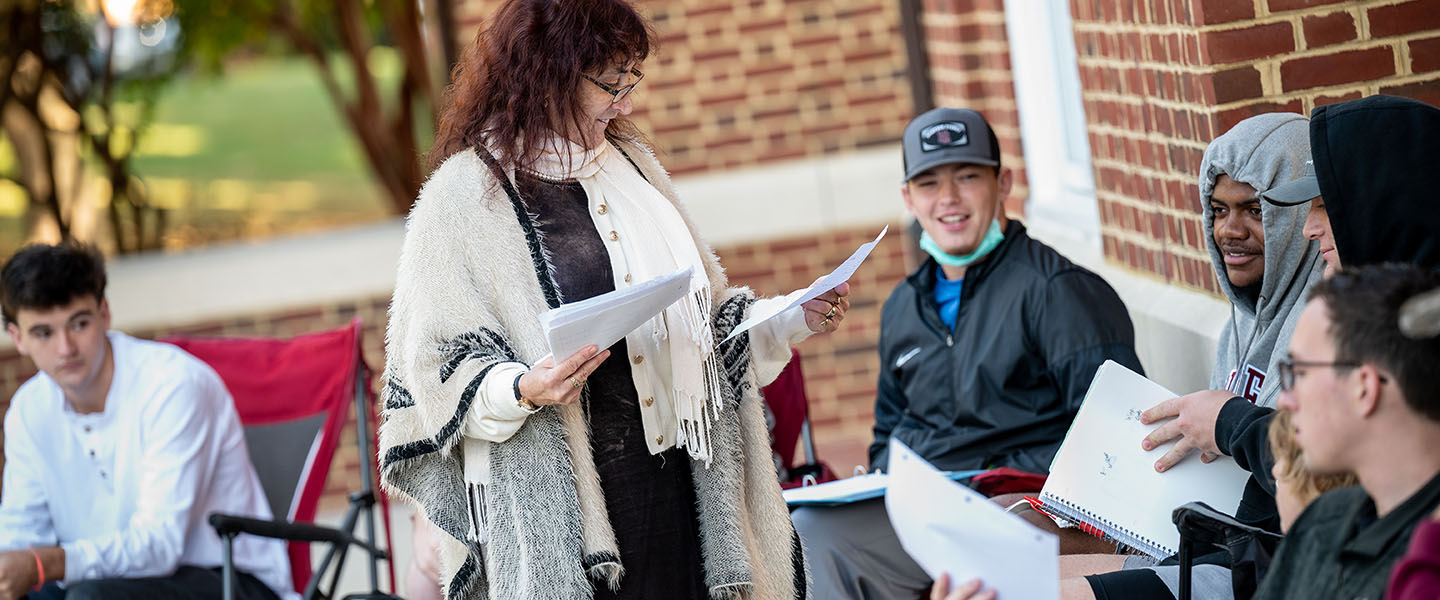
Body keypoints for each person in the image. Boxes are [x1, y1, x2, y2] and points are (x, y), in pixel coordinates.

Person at [375, 1, 844, 598]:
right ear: (547, 75)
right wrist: (522, 388)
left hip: (681, 483)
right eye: (610, 85)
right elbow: (434, 366)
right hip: (572, 506)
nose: (627, 104)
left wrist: (788, 319)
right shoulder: (464, 197)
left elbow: (707, 319)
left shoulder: (633, 168)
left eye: (632, 81)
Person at [794, 106, 1142, 599]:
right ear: (908, 198)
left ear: (1004, 184)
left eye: (967, 177)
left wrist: (982, 475)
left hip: (1021, 504)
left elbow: (1115, 440)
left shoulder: (1059, 291)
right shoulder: (903, 307)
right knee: (810, 530)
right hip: (928, 508)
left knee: (975, 551)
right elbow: (886, 436)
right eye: (929, 183)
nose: (949, 199)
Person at [1136, 94, 1440, 562]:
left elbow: (1328, 479)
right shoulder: (1355, 315)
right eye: (1217, 210)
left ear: (1381, 207)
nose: (1308, 228)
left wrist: (1231, 423)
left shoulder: (1404, 337)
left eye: (1325, 208)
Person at [1070, 112, 1320, 599]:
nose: (1231, 230)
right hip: (1208, 540)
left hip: (1266, 566)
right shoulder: (1239, 324)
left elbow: (1305, 472)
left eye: (1254, 210)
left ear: (1296, 214)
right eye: (1218, 209)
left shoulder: (1323, 322)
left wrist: (1227, 422)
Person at [0, 242, 292, 600]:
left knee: (87, 597)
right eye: (44, 333)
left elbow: (159, 546)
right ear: (18, 338)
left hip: (230, 580)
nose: (65, 348)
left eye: (79, 324)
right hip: (104, 581)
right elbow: (21, 536)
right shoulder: (29, 410)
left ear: (104, 314)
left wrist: (45, 564)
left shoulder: (172, 386)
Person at [1251, 264, 1440, 599]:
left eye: (1298, 372)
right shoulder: (1322, 521)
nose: (1285, 399)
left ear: (1364, 388)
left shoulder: (1426, 569)